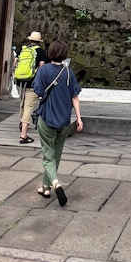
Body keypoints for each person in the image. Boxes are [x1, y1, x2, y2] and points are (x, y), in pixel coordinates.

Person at [32, 39, 83, 205]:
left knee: (48, 156)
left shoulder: (44, 70)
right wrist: (79, 118)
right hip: (64, 121)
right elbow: (75, 97)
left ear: (50, 53)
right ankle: (45, 187)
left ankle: (55, 184)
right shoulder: (69, 73)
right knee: (56, 154)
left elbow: (38, 91)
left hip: (47, 118)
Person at [14, 30, 47, 144]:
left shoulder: (22, 49)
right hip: (32, 83)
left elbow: (15, 64)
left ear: (30, 40)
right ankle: (23, 135)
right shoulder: (41, 52)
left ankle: (21, 122)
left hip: (20, 82)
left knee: (22, 103)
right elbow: (42, 68)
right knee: (29, 106)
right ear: (39, 41)